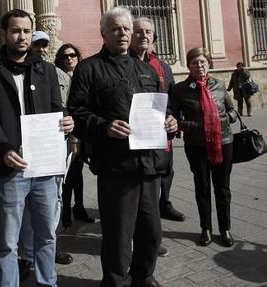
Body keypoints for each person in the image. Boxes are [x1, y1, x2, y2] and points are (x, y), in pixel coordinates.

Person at [67, 6, 177, 287]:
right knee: (118, 233)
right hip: (115, 166)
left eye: (126, 28)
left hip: (149, 164)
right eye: (116, 28)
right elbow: (77, 113)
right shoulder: (89, 68)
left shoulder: (146, 69)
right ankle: (116, 281)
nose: (123, 33)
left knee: (151, 231)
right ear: (104, 33)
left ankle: (144, 275)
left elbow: (160, 109)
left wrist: (169, 122)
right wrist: (105, 127)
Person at [0, 9, 74, 286]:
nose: (22, 36)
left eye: (27, 31)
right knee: (8, 241)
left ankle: (47, 282)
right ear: (4, 34)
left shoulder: (46, 71)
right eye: (16, 30)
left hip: (44, 168)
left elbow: (58, 108)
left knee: (46, 235)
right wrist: (4, 149)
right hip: (10, 168)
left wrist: (68, 121)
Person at [130, 17, 185, 258]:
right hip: (136, 142)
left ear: (154, 38)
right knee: (139, 196)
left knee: (164, 177)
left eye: (149, 33)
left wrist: (174, 120)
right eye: (138, 32)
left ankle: (164, 209)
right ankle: (138, 241)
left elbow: (170, 99)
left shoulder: (163, 66)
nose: (144, 36)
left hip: (162, 138)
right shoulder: (127, 64)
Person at [171, 48, 237, 248]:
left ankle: (225, 228)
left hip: (223, 143)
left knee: (223, 188)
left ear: (208, 63)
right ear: (189, 66)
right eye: (194, 63)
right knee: (202, 187)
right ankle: (206, 228)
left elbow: (232, 110)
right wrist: (192, 126)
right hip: (196, 145)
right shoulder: (181, 89)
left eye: (202, 62)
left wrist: (224, 120)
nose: (199, 66)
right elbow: (174, 117)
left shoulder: (219, 85)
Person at [54, 43, 95, 228]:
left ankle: (79, 207)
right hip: (68, 133)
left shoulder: (86, 75)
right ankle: (66, 211)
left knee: (78, 173)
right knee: (68, 174)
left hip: (84, 131)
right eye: (65, 56)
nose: (69, 58)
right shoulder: (56, 77)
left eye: (72, 55)